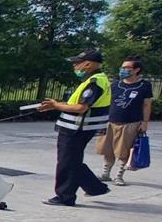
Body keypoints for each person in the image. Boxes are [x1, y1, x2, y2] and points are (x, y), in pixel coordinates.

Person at [39, 50, 111, 206]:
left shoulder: (95, 82)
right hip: (78, 127)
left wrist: (56, 105)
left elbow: (81, 108)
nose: (75, 66)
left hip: (77, 128)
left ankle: (65, 196)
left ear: (88, 63)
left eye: (77, 63)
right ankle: (95, 187)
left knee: (67, 162)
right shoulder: (96, 79)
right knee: (73, 161)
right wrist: (57, 105)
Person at [96, 55, 152, 186]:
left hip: (130, 123)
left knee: (123, 150)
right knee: (107, 149)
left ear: (136, 70)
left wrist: (145, 122)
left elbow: (147, 105)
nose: (123, 70)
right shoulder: (116, 84)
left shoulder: (144, 86)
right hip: (111, 121)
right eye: (122, 67)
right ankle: (105, 173)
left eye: (127, 68)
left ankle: (119, 175)